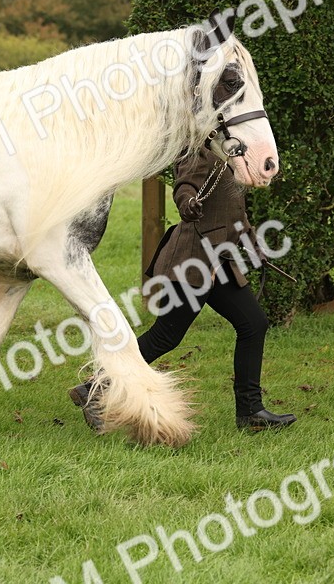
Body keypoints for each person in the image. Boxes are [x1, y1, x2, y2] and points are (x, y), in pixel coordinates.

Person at [69, 143, 296, 432]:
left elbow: (234, 212)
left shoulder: (232, 157)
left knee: (254, 323)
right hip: (191, 260)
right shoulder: (198, 151)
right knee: (166, 336)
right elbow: (185, 187)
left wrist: (253, 245)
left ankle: (251, 412)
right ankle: (96, 386)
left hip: (219, 263)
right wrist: (188, 203)